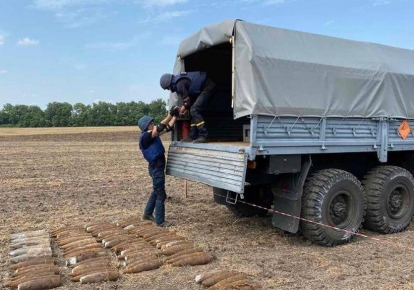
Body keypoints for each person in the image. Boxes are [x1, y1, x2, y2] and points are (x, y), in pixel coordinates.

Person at [137, 106, 180, 227]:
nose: (153, 124)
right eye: (151, 123)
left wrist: (175, 116)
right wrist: (170, 115)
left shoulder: (152, 135)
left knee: (156, 191)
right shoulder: (145, 137)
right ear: (147, 126)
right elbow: (160, 127)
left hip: (157, 167)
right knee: (161, 193)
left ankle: (147, 214)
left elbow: (167, 128)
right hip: (156, 168)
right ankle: (160, 221)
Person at [159, 71, 216, 143]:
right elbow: (187, 102)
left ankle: (203, 135)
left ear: (169, 84)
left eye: (167, 88)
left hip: (207, 87)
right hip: (205, 86)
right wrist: (184, 108)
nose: (169, 90)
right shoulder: (178, 81)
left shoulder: (179, 84)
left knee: (194, 110)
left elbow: (187, 102)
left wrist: (180, 110)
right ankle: (192, 136)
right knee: (193, 111)